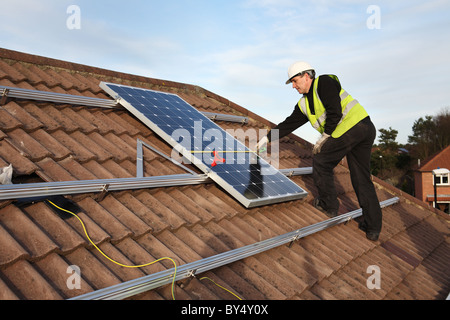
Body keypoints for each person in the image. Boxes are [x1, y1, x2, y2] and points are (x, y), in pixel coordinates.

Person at [257, 61, 382, 241]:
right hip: (364, 128)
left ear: (306, 76)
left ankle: (328, 205)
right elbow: (288, 124)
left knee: (321, 159)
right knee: (361, 177)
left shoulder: (324, 83)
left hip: (353, 128)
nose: (293, 86)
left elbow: (335, 112)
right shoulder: (304, 105)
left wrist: (325, 137)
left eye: (294, 81)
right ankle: (372, 227)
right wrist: (266, 139)